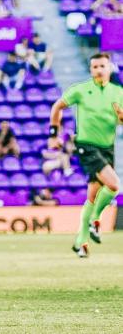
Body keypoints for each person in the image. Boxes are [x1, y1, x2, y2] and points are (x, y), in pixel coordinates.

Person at [49, 53, 123, 258]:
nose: (99, 70)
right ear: (91, 70)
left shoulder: (118, 93)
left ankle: (80, 242)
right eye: (95, 67)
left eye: (102, 66)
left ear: (109, 68)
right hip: (86, 146)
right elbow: (57, 107)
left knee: (91, 196)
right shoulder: (81, 90)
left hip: (107, 148)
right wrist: (54, 134)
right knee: (114, 185)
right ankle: (95, 220)